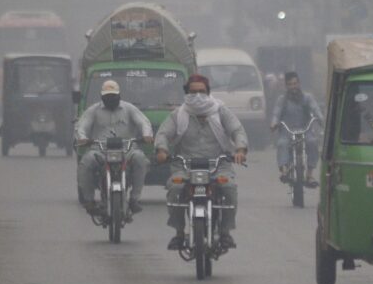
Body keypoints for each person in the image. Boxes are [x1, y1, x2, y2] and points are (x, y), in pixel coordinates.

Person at [155, 74, 248, 251]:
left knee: (229, 188)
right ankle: (179, 232)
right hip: (185, 166)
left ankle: (225, 232)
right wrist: (162, 150)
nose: (198, 96)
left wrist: (240, 150)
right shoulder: (178, 115)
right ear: (186, 94)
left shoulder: (220, 111)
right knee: (174, 189)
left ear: (209, 93)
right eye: (193, 92)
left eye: (202, 92)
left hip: (218, 165)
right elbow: (163, 134)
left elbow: (237, 130)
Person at [75, 80, 153, 216]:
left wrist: (147, 135)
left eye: (113, 96)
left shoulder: (129, 109)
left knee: (141, 159)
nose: (110, 99)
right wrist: (82, 137)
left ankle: (134, 199)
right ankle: (89, 201)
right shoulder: (93, 110)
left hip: (127, 149)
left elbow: (144, 122)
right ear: (101, 96)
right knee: (85, 162)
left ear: (119, 95)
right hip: (100, 150)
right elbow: (82, 125)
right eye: (107, 96)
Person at [270, 72, 324, 187]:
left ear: (299, 83)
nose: (293, 87)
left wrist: (320, 119)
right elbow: (276, 113)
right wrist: (274, 123)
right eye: (290, 84)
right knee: (282, 144)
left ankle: (309, 175)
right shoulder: (282, 100)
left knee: (312, 142)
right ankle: (284, 171)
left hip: (305, 130)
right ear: (286, 86)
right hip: (287, 132)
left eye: (295, 83)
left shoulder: (307, 98)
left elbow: (315, 109)